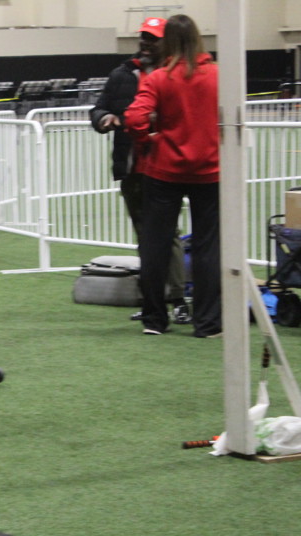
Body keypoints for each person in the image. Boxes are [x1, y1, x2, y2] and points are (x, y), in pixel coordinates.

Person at [90, 17, 190, 325]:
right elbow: (99, 108)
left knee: (168, 234)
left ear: (166, 42)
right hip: (132, 168)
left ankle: (178, 300)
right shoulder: (122, 74)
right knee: (145, 237)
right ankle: (152, 301)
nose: (146, 43)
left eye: (153, 38)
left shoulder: (174, 74)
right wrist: (104, 118)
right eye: (144, 37)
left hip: (165, 167)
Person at [124, 14, 220, 338]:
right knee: (208, 247)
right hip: (209, 171)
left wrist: (148, 139)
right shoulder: (218, 75)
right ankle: (207, 323)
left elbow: (134, 118)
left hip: (164, 170)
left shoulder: (158, 78)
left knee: (156, 245)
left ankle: (155, 320)